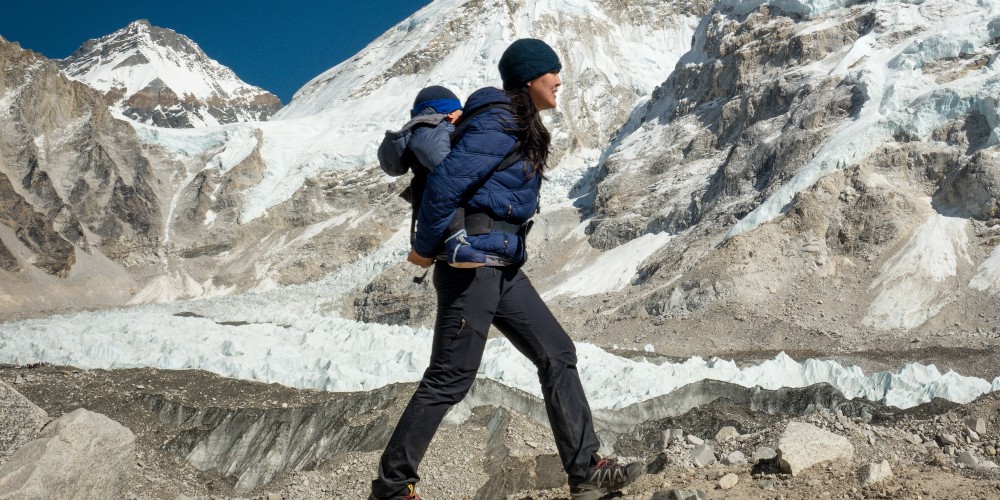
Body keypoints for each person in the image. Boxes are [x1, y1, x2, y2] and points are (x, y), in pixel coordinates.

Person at [368, 39, 642, 500]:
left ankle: (586, 472)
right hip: (472, 265)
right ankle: (392, 487)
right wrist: (424, 248)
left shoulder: (521, 123)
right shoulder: (501, 119)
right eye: (552, 72)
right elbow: (445, 186)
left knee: (557, 353)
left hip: (503, 265)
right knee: (450, 379)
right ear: (529, 79)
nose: (559, 80)